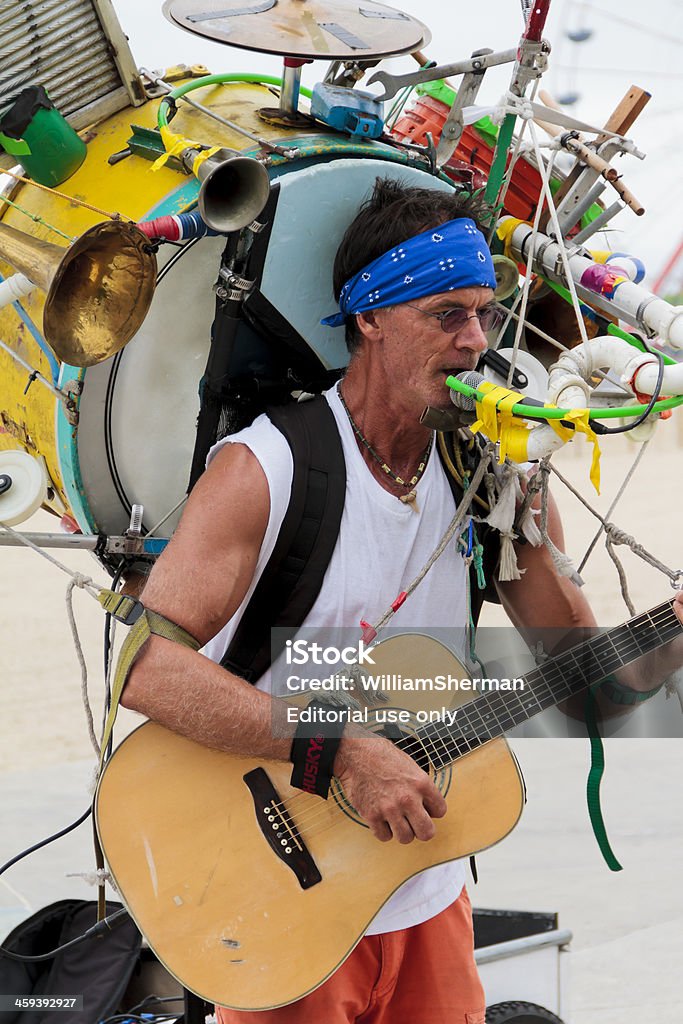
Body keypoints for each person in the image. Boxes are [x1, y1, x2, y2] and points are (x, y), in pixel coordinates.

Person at [120, 179, 683, 1023]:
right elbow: (146, 672)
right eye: (445, 315)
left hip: (423, 889)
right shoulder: (266, 468)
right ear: (370, 319)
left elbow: (589, 687)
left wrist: (667, 632)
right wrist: (343, 749)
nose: (474, 342)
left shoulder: (488, 473)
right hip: (277, 901)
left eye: (484, 315)